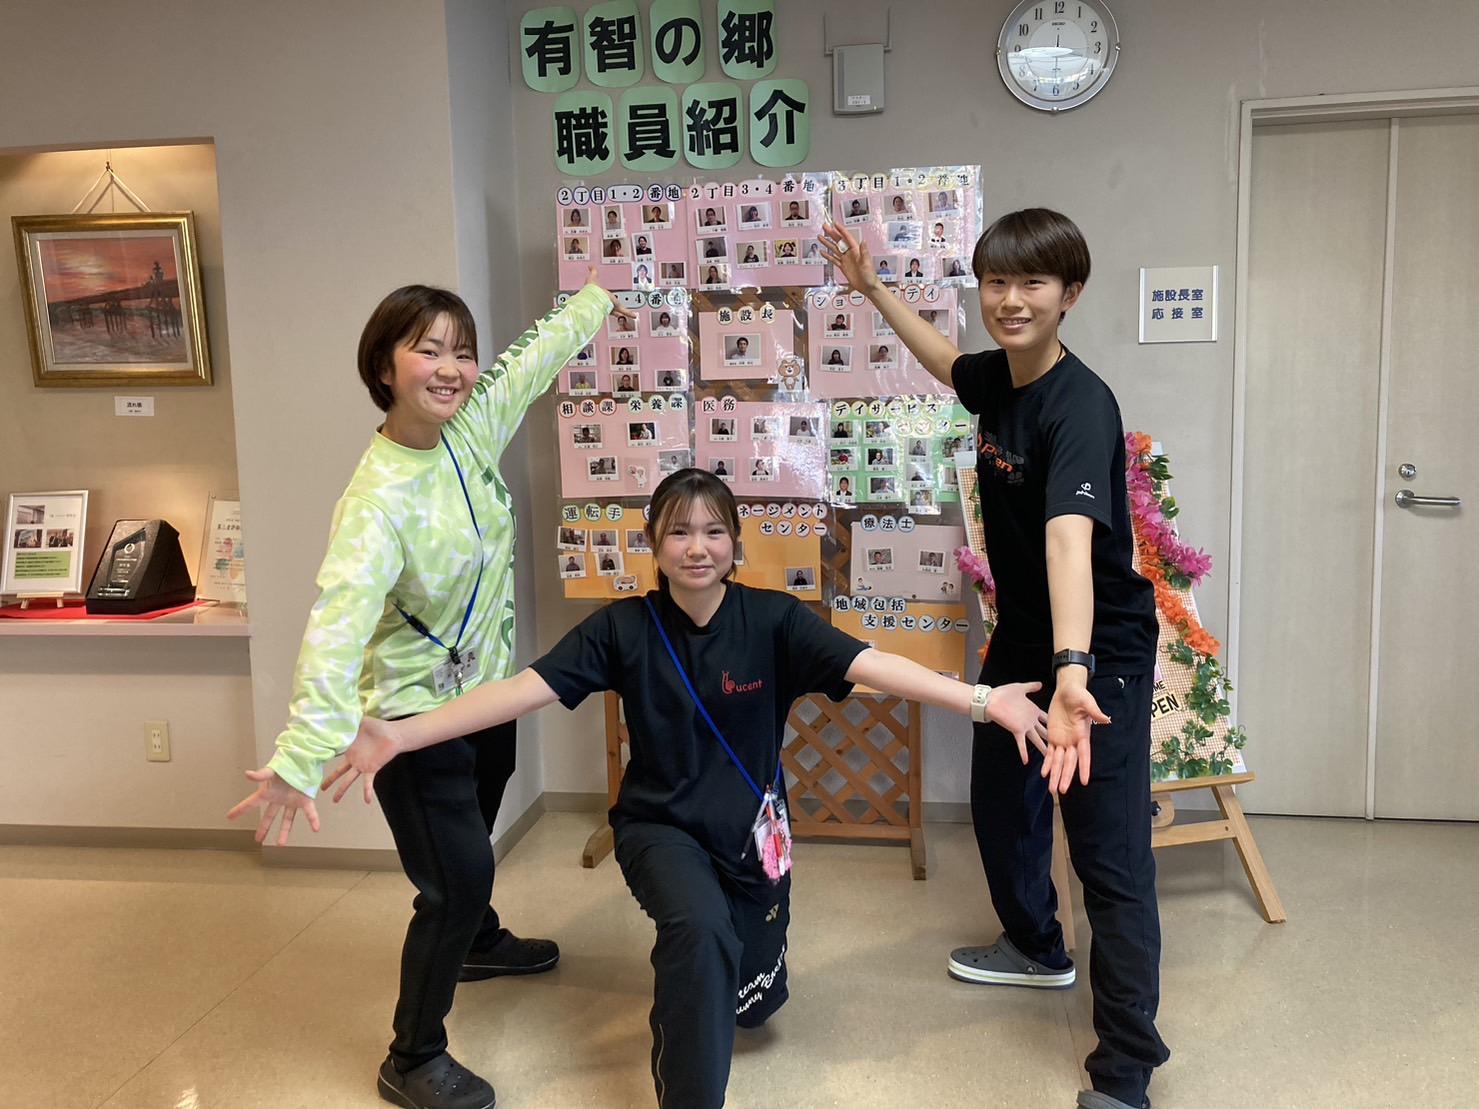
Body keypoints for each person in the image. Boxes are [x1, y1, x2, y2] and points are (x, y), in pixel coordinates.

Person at [323, 469, 1049, 1109]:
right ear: (653, 543)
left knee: (752, 1002)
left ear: (735, 542)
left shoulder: (773, 619)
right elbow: (521, 689)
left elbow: (872, 664)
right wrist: (404, 734)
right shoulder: (621, 628)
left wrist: (985, 701)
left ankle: (724, 979)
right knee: (698, 936)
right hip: (660, 829)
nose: (696, 547)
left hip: (752, 836)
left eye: (712, 531)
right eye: (678, 532)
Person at [227, 271, 632, 1109]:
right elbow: (336, 624)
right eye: (428, 350)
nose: (451, 368)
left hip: (480, 696)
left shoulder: (468, 430)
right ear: (384, 366)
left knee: (475, 833)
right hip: (407, 722)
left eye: (462, 351)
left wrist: (596, 297)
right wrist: (302, 753)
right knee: (453, 880)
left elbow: (531, 362)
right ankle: (411, 1056)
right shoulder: (374, 501)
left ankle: (475, 941)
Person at [819, 209, 1169, 1109]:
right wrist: (871, 289)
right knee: (1001, 799)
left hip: (1098, 650)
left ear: (1069, 294)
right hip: (1023, 633)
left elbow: (1066, 541)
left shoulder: (1078, 405)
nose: (1011, 300)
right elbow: (947, 363)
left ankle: (1124, 1068)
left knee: (1107, 853)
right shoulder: (1001, 379)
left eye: (1032, 283)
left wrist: (1071, 671)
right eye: (996, 282)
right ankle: (1035, 946)